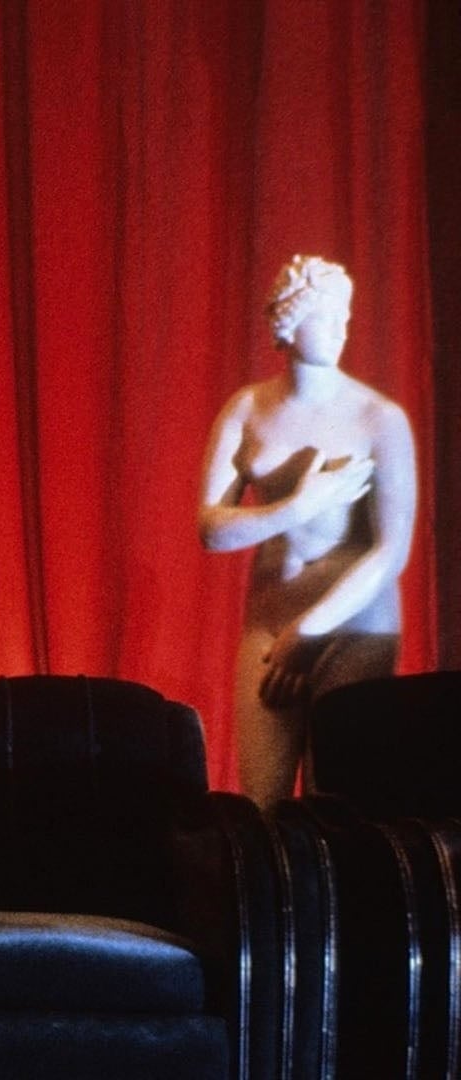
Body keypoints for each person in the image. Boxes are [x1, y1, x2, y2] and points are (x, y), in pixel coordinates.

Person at [198, 254, 418, 807]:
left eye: (346, 315)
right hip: (270, 624)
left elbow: (391, 551)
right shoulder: (247, 409)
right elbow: (212, 529)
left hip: (352, 626)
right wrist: (298, 507)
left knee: (339, 804)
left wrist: (309, 633)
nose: (342, 328)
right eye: (327, 315)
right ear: (289, 322)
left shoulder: (379, 418)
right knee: (262, 808)